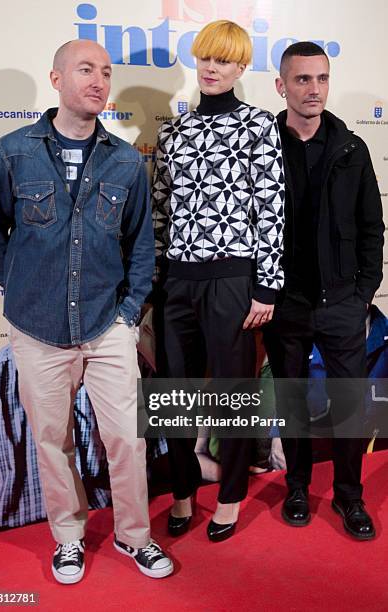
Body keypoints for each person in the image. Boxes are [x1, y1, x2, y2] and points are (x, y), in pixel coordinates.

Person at [0, 39, 173, 583]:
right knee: (52, 440)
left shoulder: (128, 162)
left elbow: (140, 247)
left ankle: (136, 538)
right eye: (85, 69)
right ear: (57, 78)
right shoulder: (12, 151)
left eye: (106, 72)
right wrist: (21, 294)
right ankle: (68, 538)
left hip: (107, 323)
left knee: (128, 438)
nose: (98, 80)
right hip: (37, 329)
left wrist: (129, 312)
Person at [152, 20, 285, 542]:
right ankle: (183, 492)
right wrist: (158, 279)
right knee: (174, 394)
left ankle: (230, 496)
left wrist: (266, 286)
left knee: (232, 393)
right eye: (205, 58)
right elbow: (161, 209)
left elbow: (271, 209)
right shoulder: (173, 131)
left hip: (233, 279)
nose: (211, 68)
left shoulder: (258, 125)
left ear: (241, 68)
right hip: (176, 282)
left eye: (224, 61)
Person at [263, 42, 384, 540]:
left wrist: (362, 294)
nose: (313, 89)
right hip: (285, 301)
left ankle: (349, 497)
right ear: (282, 86)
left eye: (321, 79)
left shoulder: (352, 148)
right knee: (291, 400)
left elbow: (372, 227)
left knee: (350, 404)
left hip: (341, 304)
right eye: (302, 80)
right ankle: (296, 487)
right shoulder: (261, 144)